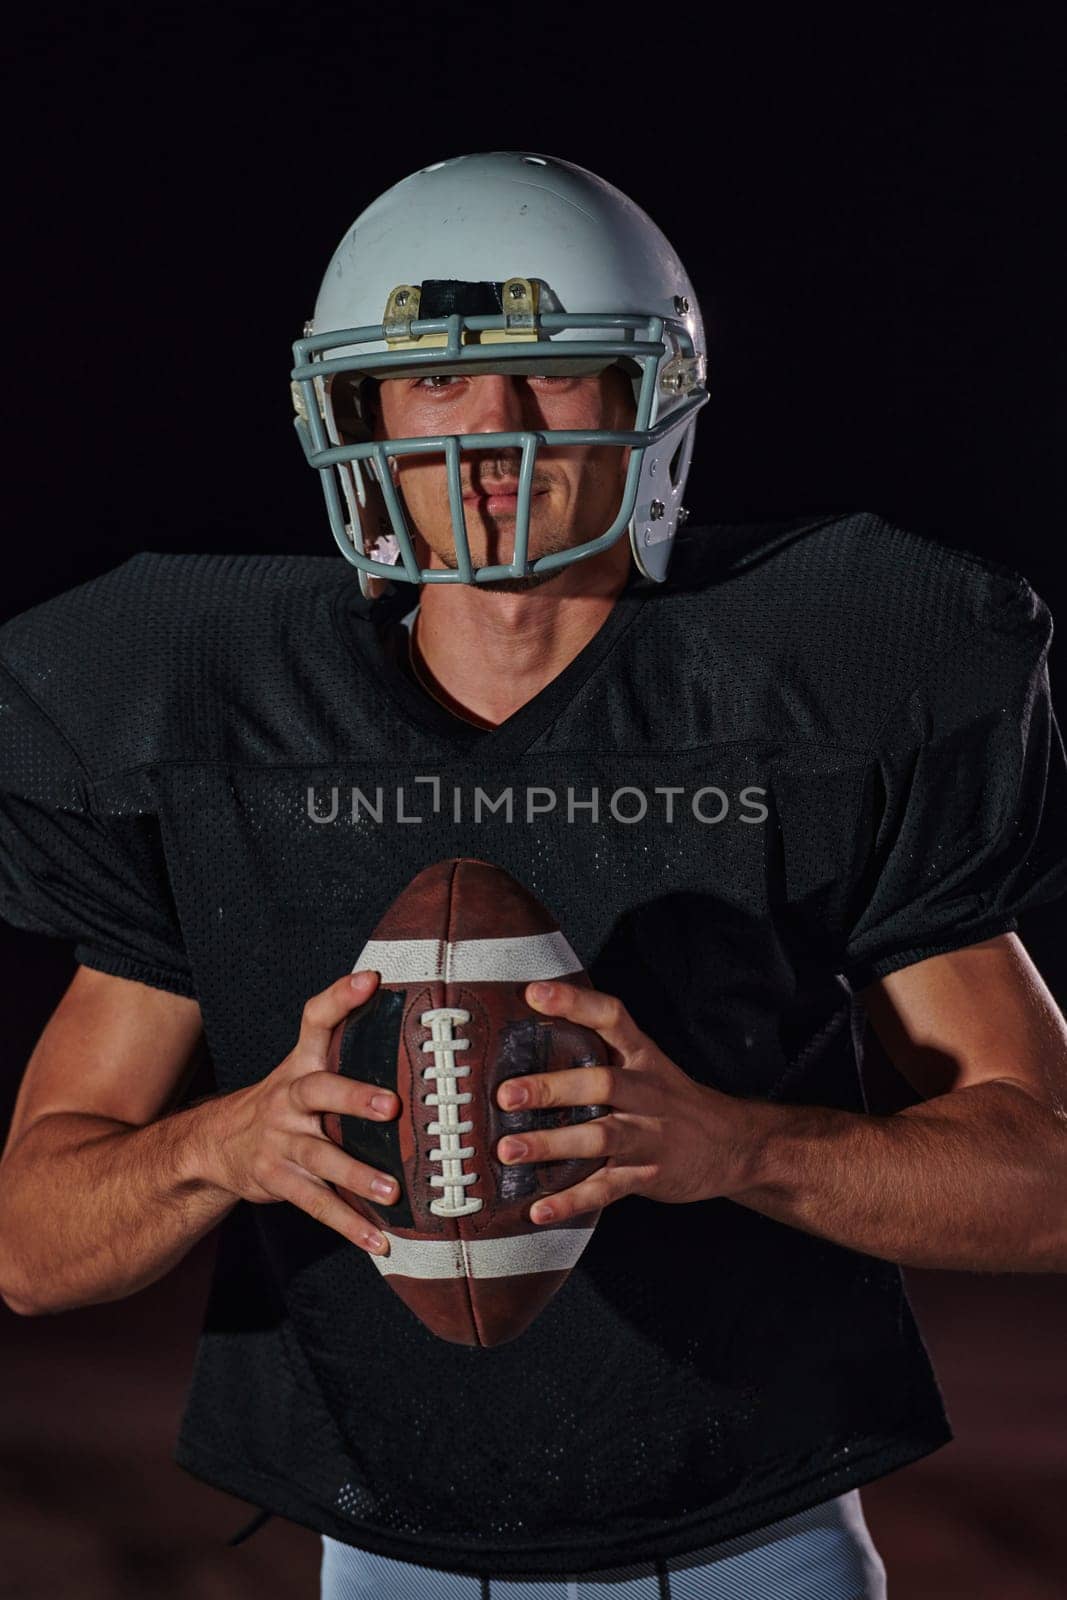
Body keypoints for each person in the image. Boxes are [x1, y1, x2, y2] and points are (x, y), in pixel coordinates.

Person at [1, 151, 1066, 1600]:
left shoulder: (820, 692)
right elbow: (29, 1244)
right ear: (355, 409)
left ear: (651, 401)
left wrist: (735, 1146)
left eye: (554, 372)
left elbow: (1050, 1179)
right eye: (438, 382)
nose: (492, 429)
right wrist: (223, 1144)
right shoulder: (220, 729)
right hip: (387, 1547)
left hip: (755, 1530)